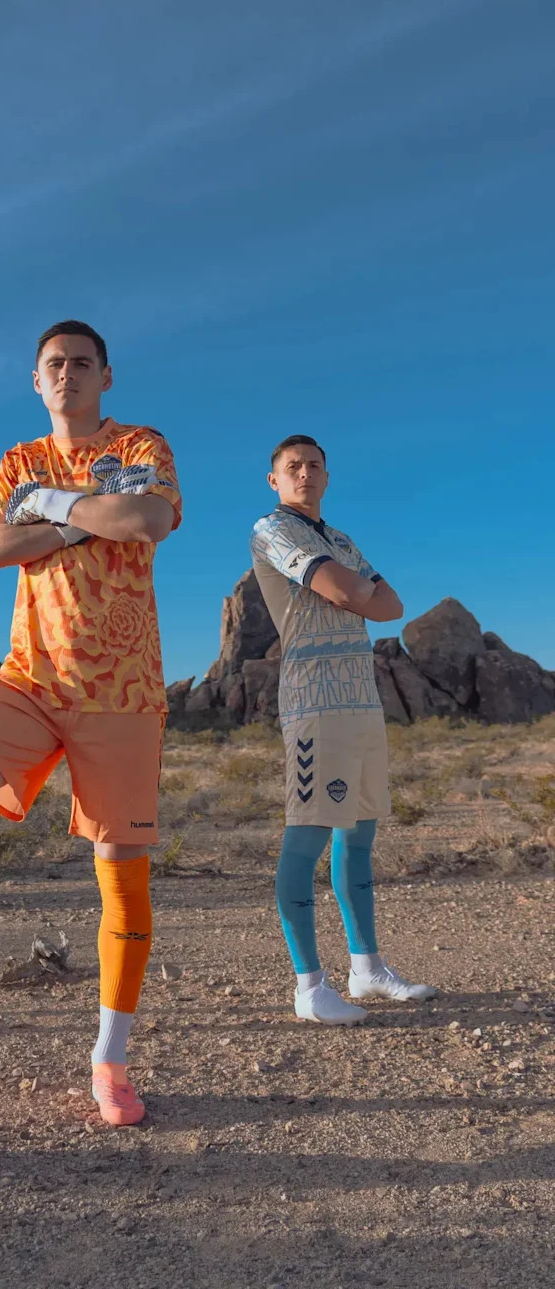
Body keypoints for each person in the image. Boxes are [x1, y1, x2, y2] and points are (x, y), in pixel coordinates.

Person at [0, 320, 182, 1126]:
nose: (69, 375)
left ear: (106, 377)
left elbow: (149, 521)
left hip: (121, 691)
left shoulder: (143, 442)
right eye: (55, 365)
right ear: (37, 379)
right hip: (30, 676)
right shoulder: (18, 461)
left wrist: (51, 509)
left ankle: (110, 1062)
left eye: (83, 364)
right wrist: (79, 517)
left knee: (121, 873)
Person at [250, 436, 436, 1025]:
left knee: (358, 837)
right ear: (274, 479)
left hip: (360, 700)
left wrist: (357, 590)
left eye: (313, 466)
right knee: (307, 837)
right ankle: (309, 986)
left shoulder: (341, 540)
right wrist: (356, 591)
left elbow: (393, 604)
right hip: (314, 703)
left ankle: (367, 967)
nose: (304, 474)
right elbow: (348, 591)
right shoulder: (272, 530)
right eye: (292, 467)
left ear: (327, 476)